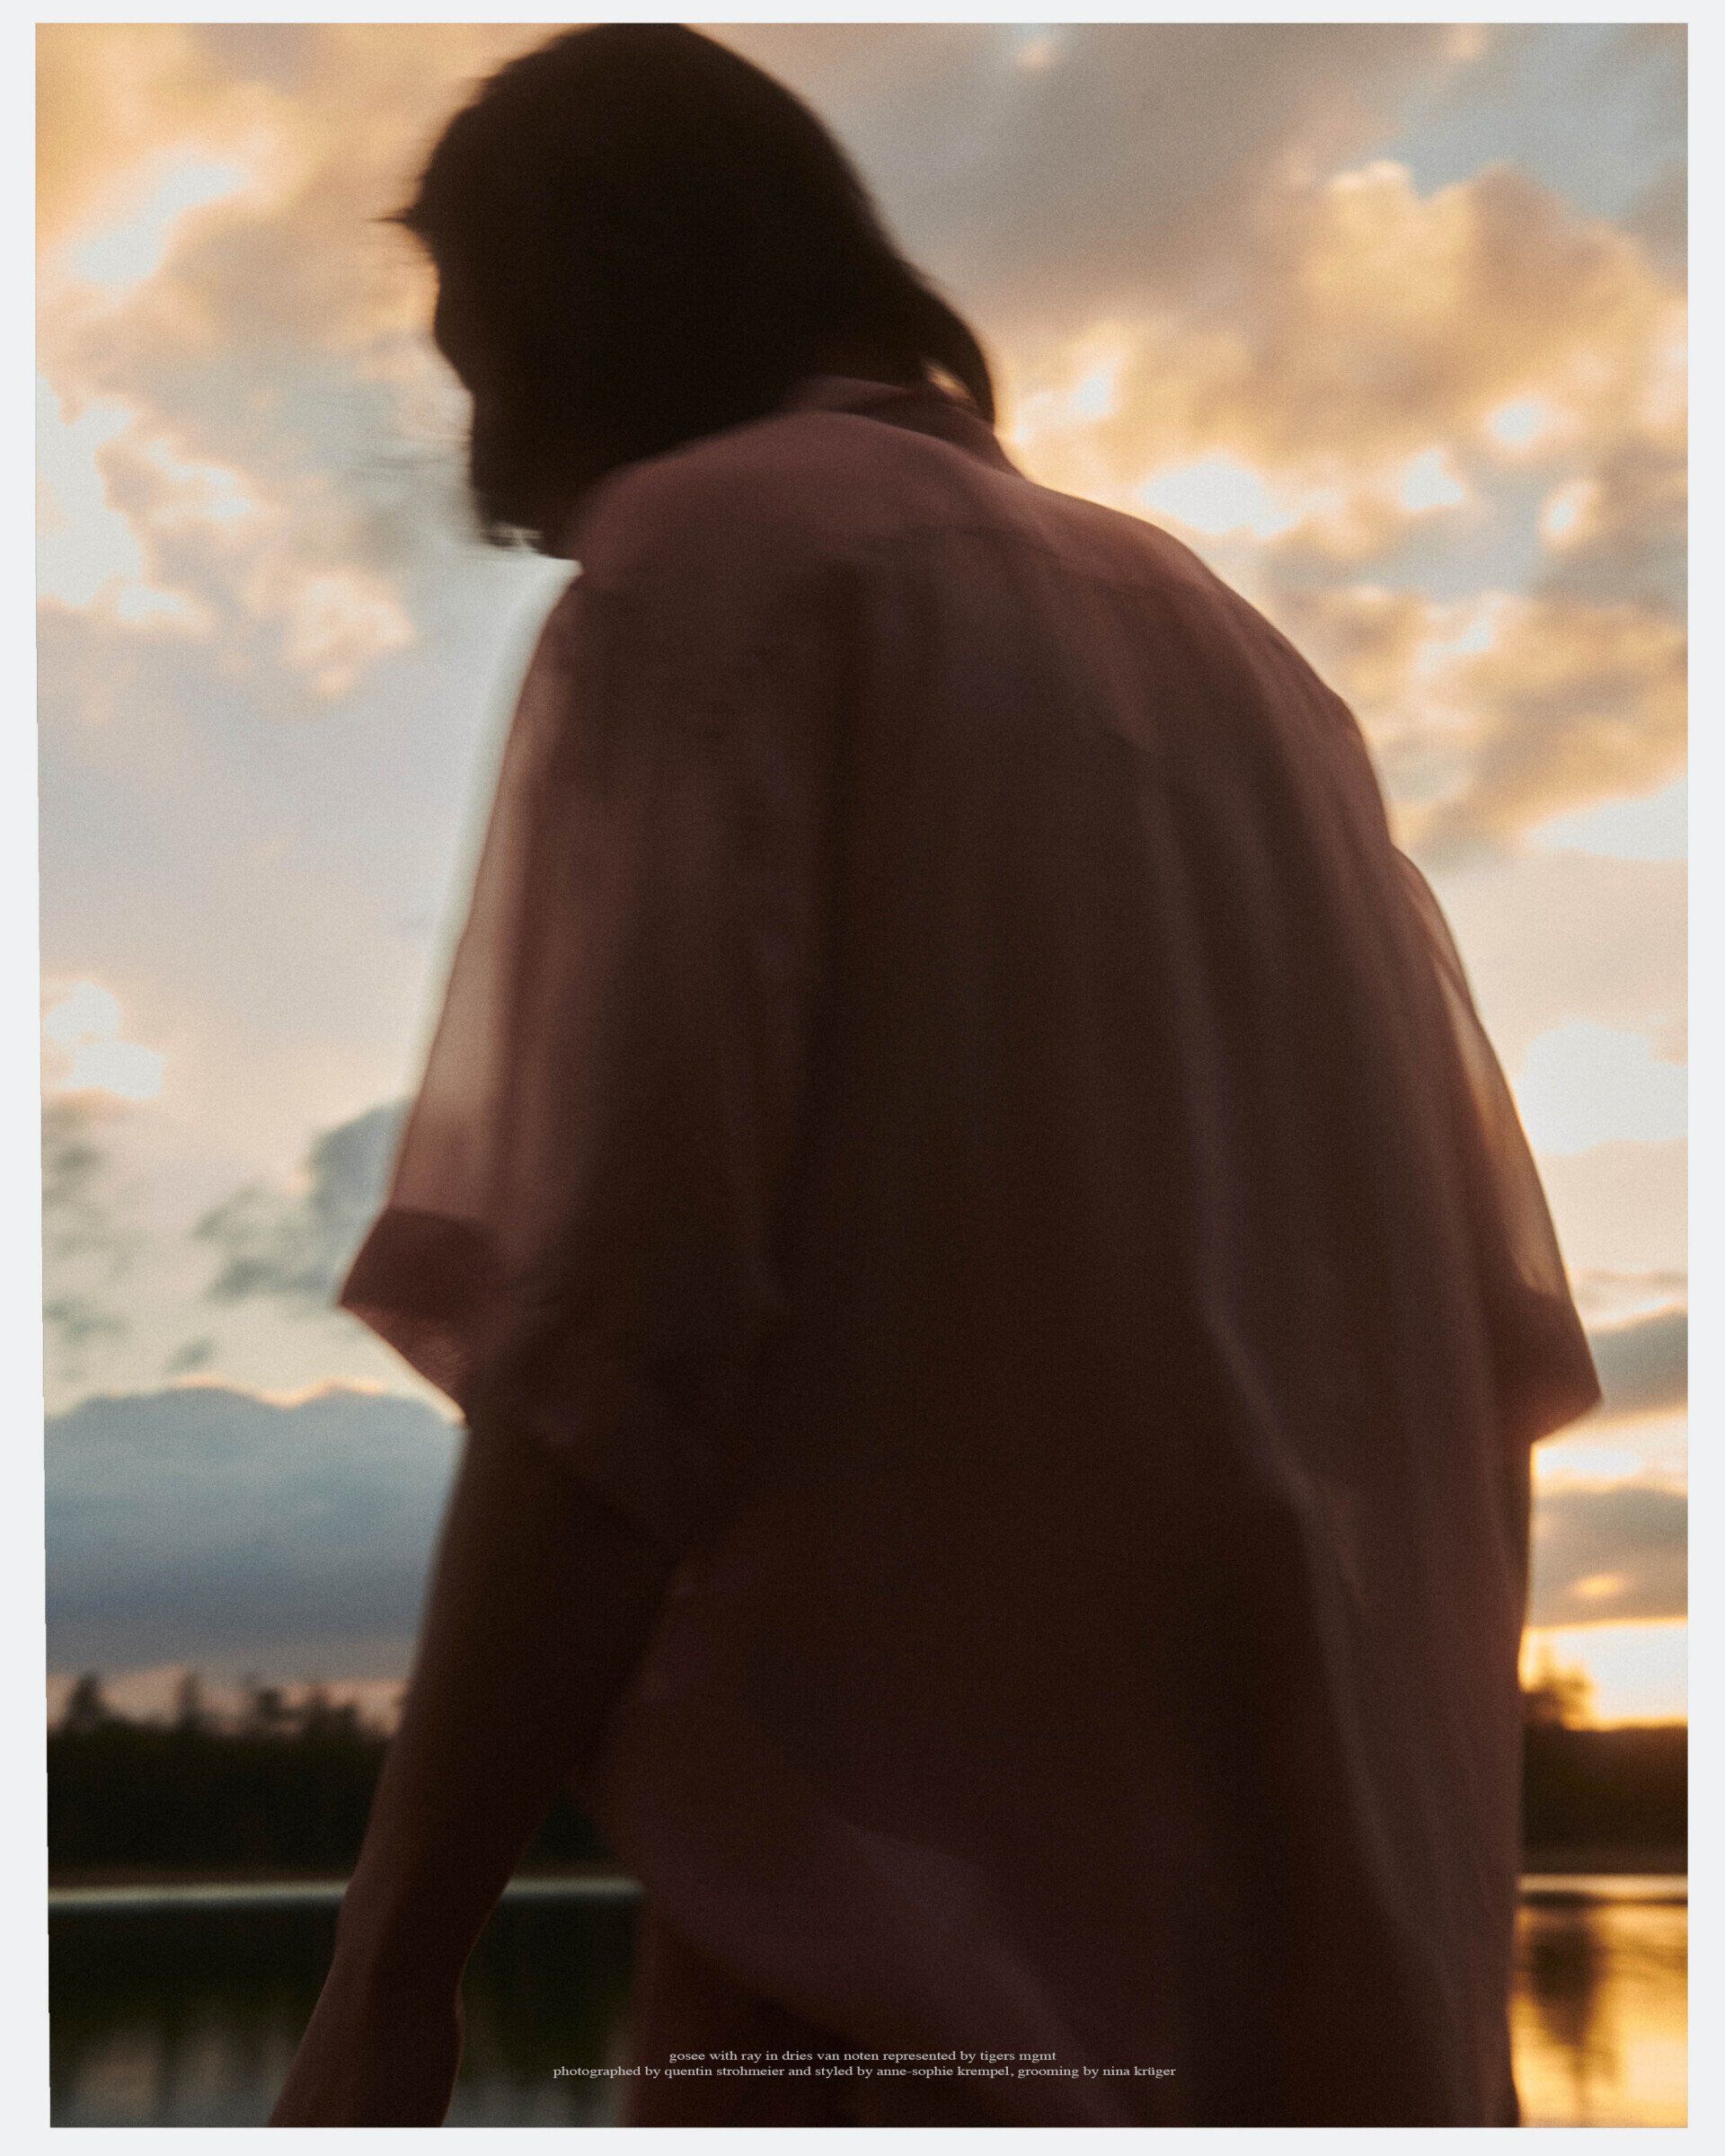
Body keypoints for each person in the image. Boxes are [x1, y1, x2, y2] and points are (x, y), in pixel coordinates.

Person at [269, 22, 1601, 2129]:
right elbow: (1482, 1359)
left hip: (907, 1986)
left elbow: (616, 1328)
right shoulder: (1256, 668)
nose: (485, 478)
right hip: (1339, 2035)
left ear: (587, 304)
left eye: (479, 367)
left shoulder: (718, 563)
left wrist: (390, 1981)